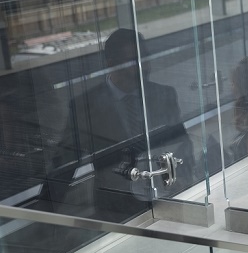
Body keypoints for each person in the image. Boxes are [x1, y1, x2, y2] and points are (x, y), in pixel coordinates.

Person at [55, 28, 194, 210]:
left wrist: (185, 180)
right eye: (133, 61)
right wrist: (46, 211)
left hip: (165, 194)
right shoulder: (85, 106)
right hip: (116, 206)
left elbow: (182, 144)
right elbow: (65, 162)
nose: (144, 67)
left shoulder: (164, 94)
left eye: (145, 58)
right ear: (112, 64)